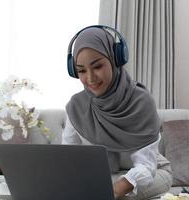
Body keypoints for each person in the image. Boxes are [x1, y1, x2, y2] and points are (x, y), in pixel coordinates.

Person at [63, 25, 172, 200]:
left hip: (150, 173)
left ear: (115, 59)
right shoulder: (76, 106)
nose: (90, 78)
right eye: (81, 70)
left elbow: (146, 167)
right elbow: (68, 159)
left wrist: (115, 190)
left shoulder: (141, 101)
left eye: (97, 66)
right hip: (104, 177)